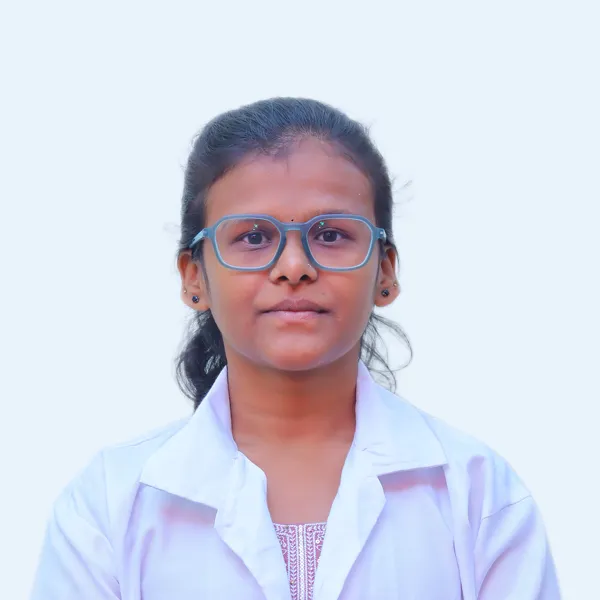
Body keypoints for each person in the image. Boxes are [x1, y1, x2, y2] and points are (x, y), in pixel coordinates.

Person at [30, 97, 561, 600]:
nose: (293, 267)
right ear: (194, 277)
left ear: (385, 271)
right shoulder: (107, 504)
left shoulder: (479, 492)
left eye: (330, 234)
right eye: (253, 237)